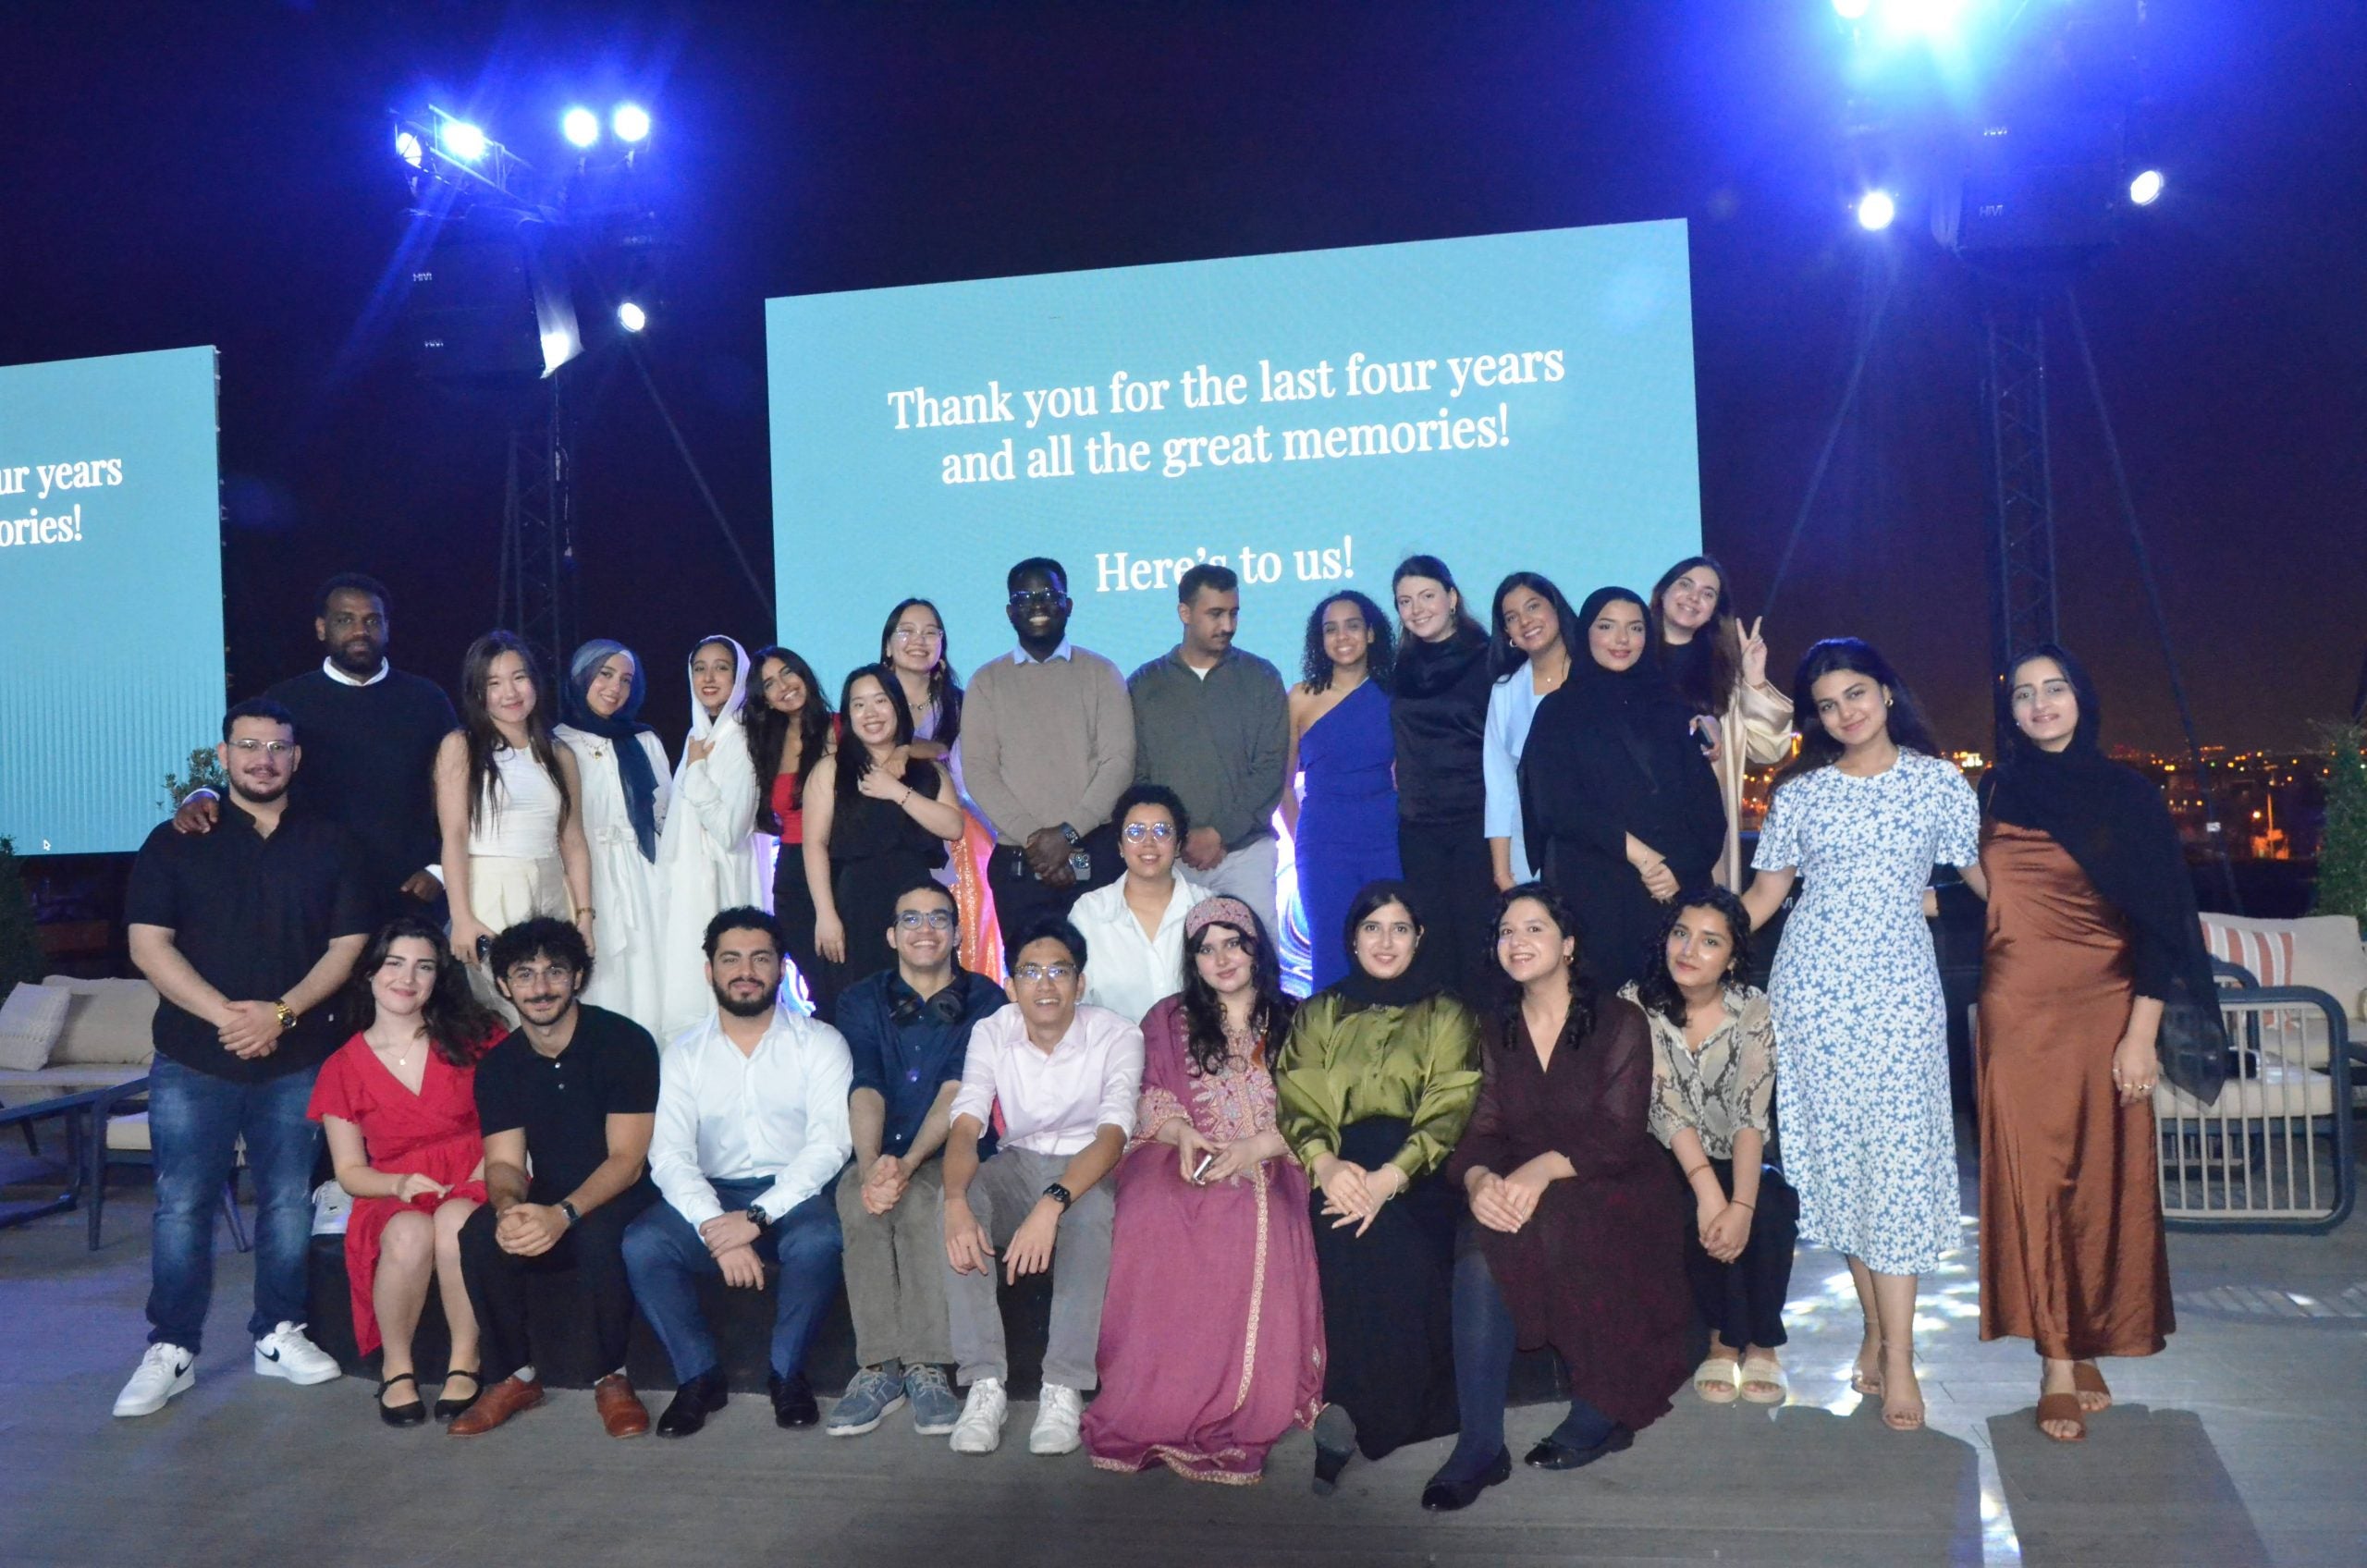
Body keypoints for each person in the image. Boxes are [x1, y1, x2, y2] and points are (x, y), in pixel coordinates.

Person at [1739, 638, 1986, 1434]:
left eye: (1857, 694)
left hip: (1903, 999)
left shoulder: (1939, 783)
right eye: (1829, 704)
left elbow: (1986, 885)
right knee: (1841, 1168)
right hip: (1811, 995)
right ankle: (1876, 1329)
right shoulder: (1802, 794)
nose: (1845, 712)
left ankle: (1903, 1355)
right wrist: (1691, 946)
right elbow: (1767, 895)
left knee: (1902, 1165)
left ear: (1886, 691)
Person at [115, 699, 372, 1419]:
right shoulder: (175, 841)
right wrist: (228, 1017)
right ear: (222, 756)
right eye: (250, 745)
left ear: (297, 759)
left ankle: (277, 1333)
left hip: (297, 1057)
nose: (265, 758)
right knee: (181, 1207)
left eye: (279, 747)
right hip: (194, 1056)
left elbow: (348, 948)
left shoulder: (331, 842)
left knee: (289, 1202)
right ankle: (172, 1348)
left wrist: (280, 1014)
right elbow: (148, 945)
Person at [1979, 645, 2197, 1442]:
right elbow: (1986, 886)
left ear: (2082, 697)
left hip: (2106, 1002)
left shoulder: (2128, 794)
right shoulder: (1996, 786)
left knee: (2100, 1181)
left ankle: (2088, 1331)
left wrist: (2142, 1037)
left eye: (2055, 690)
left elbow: (2162, 923)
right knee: (2034, 1178)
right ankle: (2057, 1361)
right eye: (2026, 696)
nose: (2040, 706)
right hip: (2015, 1005)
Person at [1422, 884, 1689, 1511]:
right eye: (1507, 932)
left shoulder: (1618, 1019)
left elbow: (1620, 1134)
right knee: (1481, 1238)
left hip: (1614, 1180)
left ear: (1568, 945)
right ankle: (1480, 1445)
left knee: (1567, 1218)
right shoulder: (1493, 1028)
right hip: (1520, 1177)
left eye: (1534, 929)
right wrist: (1479, 1180)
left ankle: (1600, 1405)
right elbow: (1476, 1130)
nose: (1517, 942)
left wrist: (1539, 1170)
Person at [1082, 899, 1324, 1484]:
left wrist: (1257, 1148)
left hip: (1276, 1154)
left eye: (1234, 942)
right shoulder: (1165, 1019)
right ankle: (1158, 1393)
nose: (1222, 957)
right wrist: (1181, 1132)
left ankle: (1236, 1397)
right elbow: (1148, 1095)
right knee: (1156, 1208)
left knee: (1241, 1209)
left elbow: (1320, 1108)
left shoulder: (1301, 1018)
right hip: (1178, 1148)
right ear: (1192, 960)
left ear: (1256, 948)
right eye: (1206, 947)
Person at [1275, 880, 1480, 1491]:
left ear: (1419, 937)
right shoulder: (1320, 1011)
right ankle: (1347, 1407)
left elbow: (1451, 1101)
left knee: (1391, 1236)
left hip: (1419, 1167)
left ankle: (1378, 1412)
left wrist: (1392, 1177)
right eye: (1372, 928)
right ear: (1352, 939)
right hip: (1335, 1161)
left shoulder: (1448, 1010)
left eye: (1398, 928)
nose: (1385, 941)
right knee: (1339, 1229)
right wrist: (1328, 1166)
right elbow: (1297, 1094)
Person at [623, 909, 852, 1437]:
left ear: (780, 968)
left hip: (796, 1192)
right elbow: (671, 1157)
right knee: (644, 1243)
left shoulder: (820, 1043)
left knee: (820, 1240)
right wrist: (718, 1230)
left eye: (760, 958)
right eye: (731, 959)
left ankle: (785, 1374)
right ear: (709, 971)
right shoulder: (682, 1054)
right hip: (714, 1191)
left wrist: (756, 1216)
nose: (745, 970)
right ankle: (699, 1377)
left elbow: (829, 1147)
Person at [939, 916, 1144, 1457]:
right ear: (1011, 985)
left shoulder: (1118, 1034)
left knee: (1089, 1213)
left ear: (1081, 983)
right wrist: (957, 1202)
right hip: (1016, 1163)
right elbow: (966, 1125)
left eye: (1059, 971)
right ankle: (985, 1385)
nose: (1045, 984)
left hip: (1087, 1166)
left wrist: (1051, 1205)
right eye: (1030, 972)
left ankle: (1063, 1386)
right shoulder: (993, 1030)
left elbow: (1113, 1135)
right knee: (958, 1201)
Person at [449, 919, 661, 1439]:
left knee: (596, 1233)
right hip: (549, 1191)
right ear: (503, 986)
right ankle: (514, 1376)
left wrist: (561, 1214)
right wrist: (507, 1210)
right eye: (524, 975)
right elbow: (503, 1162)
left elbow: (628, 1159)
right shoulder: (500, 1066)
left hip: (627, 1192)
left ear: (579, 977)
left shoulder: (624, 1042)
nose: (540, 988)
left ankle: (611, 1376)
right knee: (479, 1233)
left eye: (554, 972)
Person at [825, 878, 1009, 1439]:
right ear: (891, 934)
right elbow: (866, 1085)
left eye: (937, 918)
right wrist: (872, 1164)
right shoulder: (859, 999)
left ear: (956, 932)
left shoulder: (987, 1000)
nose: (924, 929)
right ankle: (879, 1367)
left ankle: (928, 1366)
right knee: (861, 1202)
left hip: (952, 1149)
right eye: (911, 919)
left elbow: (958, 1092)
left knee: (926, 1199)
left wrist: (905, 1168)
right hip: (879, 1144)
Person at [171, 573, 458, 926]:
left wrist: (440, 869)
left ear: (387, 628)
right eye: (345, 620)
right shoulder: (286, 700)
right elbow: (255, 774)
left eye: (372, 620)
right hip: (315, 893)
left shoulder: (427, 700)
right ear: (321, 628)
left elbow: (462, 790)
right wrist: (203, 792)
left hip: (411, 892)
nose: (360, 631)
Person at [308, 918, 506, 1425]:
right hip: (392, 1188)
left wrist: (487, 1172)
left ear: (439, 978)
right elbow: (350, 1172)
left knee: (456, 1220)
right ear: (370, 973)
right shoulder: (341, 1066)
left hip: (484, 1167)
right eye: (394, 964)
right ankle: (397, 1368)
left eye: (424, 967)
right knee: (410, 1232)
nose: (408, 978)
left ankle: (466, 1358)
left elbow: (511, 1121)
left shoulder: (479, 1036)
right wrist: (397, 1184)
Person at [1628, 888, 1797, 1407]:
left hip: (1734, 1149)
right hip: (1664, 1154)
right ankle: (1722, 1339)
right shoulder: (1635, 1002)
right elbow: (1664, 1105)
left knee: (1768, 1201)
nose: (1688, 951)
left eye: (1709, 942)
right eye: (1680, 934)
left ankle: (1763, 1341)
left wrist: (1740, 1206)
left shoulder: (1753, 1008)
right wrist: (1710, 1195)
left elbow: (1751, 1113)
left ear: (1732, 958)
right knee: (1687, 1205)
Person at [1520, 587, 1724, 993]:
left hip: (1669, 892)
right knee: (1602, 1019)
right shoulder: (1559, 711)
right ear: (1585, 634)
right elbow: (1556, 806)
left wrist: (1676, 870)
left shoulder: (1676, 708)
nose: (1622, 640)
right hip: (1594, 890)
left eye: (1634, 628)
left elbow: (1706, 809)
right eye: (1607, 626)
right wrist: (1645, 858)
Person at [956, 557, 1136, 955]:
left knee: (1107, 977)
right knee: (1033, 981)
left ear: (1068, 605)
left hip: (1095, 856)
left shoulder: (1101, 673)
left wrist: (1068, 835)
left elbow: (1118, 764)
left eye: (1049, 595)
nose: (1037, 605)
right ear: (1009, 611)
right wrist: (1041, 844)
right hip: (1020, 864)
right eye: (1025, 597)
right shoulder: (986, 682)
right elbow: (979, 772)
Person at [1126, 563, 1291, 938]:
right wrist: (1177, 836)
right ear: (1185, 613)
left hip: (1246, 853)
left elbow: (1269, 770)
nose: (1228, 625)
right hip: (1171, 856)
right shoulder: (1144, 684)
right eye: (1215, 614)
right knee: (1173, 969)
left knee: (1256, 960)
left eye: (1233, 613)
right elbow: (1138, 776)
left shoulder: (1262, 678)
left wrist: (1219, 833)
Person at [437, 632, 594, 1011]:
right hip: (491, 889)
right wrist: (461, 917)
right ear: (478, 692)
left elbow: (572, 840)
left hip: (553, 890)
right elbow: (454, 836)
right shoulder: (461, 746)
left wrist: (585, 917)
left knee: (552, 1005)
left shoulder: (560, 753)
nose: (510, 692)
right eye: (494, 683)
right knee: (504, 1007)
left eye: (519, 677)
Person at [803, 665, 965, 1003]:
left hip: (917, 899)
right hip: (855, 901)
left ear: (896, 705)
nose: (871, 713)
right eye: (859, 705)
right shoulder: (831, 769)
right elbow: (814, 844)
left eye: (880, 701)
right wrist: (825, 914)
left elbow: (953, 827)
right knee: (859, 1001)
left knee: (925, 995)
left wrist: (896, 791)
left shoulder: (927, 769)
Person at [1649, 556, 1795, 890]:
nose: (1693, 597)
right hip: (1637, 827)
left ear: (1716, 608)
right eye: (1685, 584)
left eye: (1708, 593)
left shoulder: (1724, 675)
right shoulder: (1629, 660)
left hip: (1700, 836)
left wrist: (1754, 679)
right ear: (1662, 592)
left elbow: (1768, 749)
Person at [1388, 557, 1498, 1003]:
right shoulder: (1399, 667)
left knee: (1479, 947)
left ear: (1452, 598)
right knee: (1432, 951)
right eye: (1404, 601)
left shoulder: (1490, 658)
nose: (1416, 609)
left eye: (1427, 596)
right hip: (1418, 827)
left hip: (1477, 822)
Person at [877, 597, 1003, 982]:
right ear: (888, 645)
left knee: (965, 940)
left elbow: (960, 763)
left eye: (931, 632)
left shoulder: (963, 704)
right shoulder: (870, 701)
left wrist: (911, 750)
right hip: (884, 838)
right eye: (907, 631)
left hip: (959, 843)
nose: (920, 640)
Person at [1284, 591, 1400, 995]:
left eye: (1352, 625)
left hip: (1387, 836)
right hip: (1324, 841)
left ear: (1370, 634)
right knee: (1333, 951)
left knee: (1391, 947)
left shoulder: (1394, 695)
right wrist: (1307, 838)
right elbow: (1283, 786)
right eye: (1330, 629)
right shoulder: (1300, 698)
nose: (1342, 636)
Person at [556, 639, 672, 1036]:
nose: (615, 688)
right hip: (586, 880)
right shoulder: (556, 743)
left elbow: (664, 819)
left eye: (626, 680)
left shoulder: (645, 740)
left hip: (645, 878)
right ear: (581, 677)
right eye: (604, 674)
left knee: (651, 975)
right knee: (598, 976)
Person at [655, 636, 764, 1040]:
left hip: (720, 882)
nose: (709, 677)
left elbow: (730, 830)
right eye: (699, 667)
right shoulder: (698, 735)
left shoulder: (742, 737)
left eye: (721, 667)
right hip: (689, 882)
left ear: (739, 677)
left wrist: (698, 771)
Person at [1067, 784, 1213, 1023]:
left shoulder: (1208, 906)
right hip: (1114, 1055)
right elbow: (1074, 1002)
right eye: (1135, 832)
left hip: (1197, 1053)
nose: (1148, 842)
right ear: (1120, 846)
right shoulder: (1089, 912)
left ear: (1177, 845)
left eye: (1162, 831)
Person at [747, 645, 837, 1014]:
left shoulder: (840, 726)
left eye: (787, 672)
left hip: (839, 862)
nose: (783, 686)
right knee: (817, 983)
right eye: (769, 683)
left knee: (846, 977)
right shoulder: (766, 744)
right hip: (792, 872)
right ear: (764, 699)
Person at [1480, 572, 1578, 890]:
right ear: (1507, 632)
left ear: (1555, 608)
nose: (1525, 621)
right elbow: (1499, 786)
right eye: (1512, 617)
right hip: (1529, 854)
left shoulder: (1595, 675)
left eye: (1533, 606)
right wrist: (1502, 874)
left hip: (1601, 847)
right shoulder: (1506, 691)